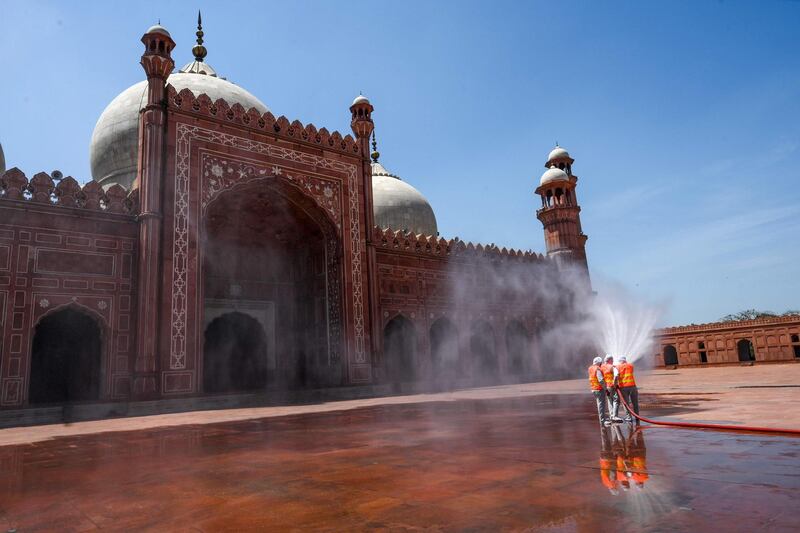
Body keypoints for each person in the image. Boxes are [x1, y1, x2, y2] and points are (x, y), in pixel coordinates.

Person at [616, 355, 640, 425]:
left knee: (626, 403)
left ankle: (629, 417)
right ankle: (637, 416)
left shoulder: (617, 367)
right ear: (625, 360)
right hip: (633, 386)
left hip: (623, 387)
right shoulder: (630, 365)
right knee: (635, 403)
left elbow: (616, 376)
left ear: (620, 361)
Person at [588, 356, 610, 426]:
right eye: (601, 363)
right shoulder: (597, 369)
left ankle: (602, 419)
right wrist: (605, 388)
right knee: (601, 405)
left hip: (594, 388)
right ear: (599, 363)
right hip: (599, 389)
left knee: (599, 404)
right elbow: (600, 380)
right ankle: (602, 420)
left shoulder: (590, 368)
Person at [601, 355, 622, 422]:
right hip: (612, 386)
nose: (613, 361)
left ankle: (611, 415)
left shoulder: (602, 367)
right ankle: (615, 416)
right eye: (612, 360)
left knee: (610, 401)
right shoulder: (612, 367)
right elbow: (616, 375)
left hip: (606, 386)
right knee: (616, 400)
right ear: (609, 360)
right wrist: (615, 384)